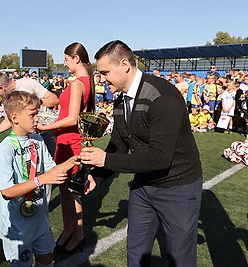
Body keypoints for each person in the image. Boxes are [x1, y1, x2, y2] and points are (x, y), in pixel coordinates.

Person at [80, 40, 203, 266]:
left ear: (125, 64)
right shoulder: (120, 100)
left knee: (180, 257)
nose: (101, 79)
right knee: (136, 252)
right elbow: (118, 145)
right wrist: (96, 177)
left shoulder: (162, 96)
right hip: (143, 186)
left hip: (178, 186)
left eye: (105, 72)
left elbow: (160, 157)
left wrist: (105, 159)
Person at [0, 90, 78, 266]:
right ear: (14, 118)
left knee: (46, 261)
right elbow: (7, 192)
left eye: (37, 113)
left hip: (40, 220)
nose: (37, 118)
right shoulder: (5, 149)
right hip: (17, 227)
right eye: (32, 114)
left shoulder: (37, 141)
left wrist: (73, 161)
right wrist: (41, 180)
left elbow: (53, 170)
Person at [37, 42, 95, 254]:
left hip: (71, 141)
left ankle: (78, 234)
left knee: (72, 191)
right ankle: (69, 230)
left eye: (67, 59)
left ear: (76, 59)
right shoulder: (81, 81)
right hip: (64, 140)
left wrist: (46, 125)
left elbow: (72, 118)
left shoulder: (79, 83)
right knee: (63, 189)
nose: (65, 63)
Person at [0, 71, 59, 156]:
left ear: (2, 88)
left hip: (45, 135)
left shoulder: (27, 83)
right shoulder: (6, 98)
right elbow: (9, 120)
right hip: (27, 139)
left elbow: (54, 99)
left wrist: (34, 103)